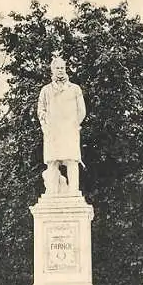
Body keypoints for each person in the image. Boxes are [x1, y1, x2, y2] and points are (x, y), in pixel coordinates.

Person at [37, 54, 86, 195]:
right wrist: (45, 125)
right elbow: (41, 110)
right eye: (57, 68)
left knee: (72, 160)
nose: (60, 70)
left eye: (62, 68)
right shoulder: (46, 90)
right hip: (53, 131)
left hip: (69, 130)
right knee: (52, 161)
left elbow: (81, 110)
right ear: (52, 70)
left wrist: (75, 124)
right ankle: (52, 191)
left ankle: (73, 191)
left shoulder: (75, 89)